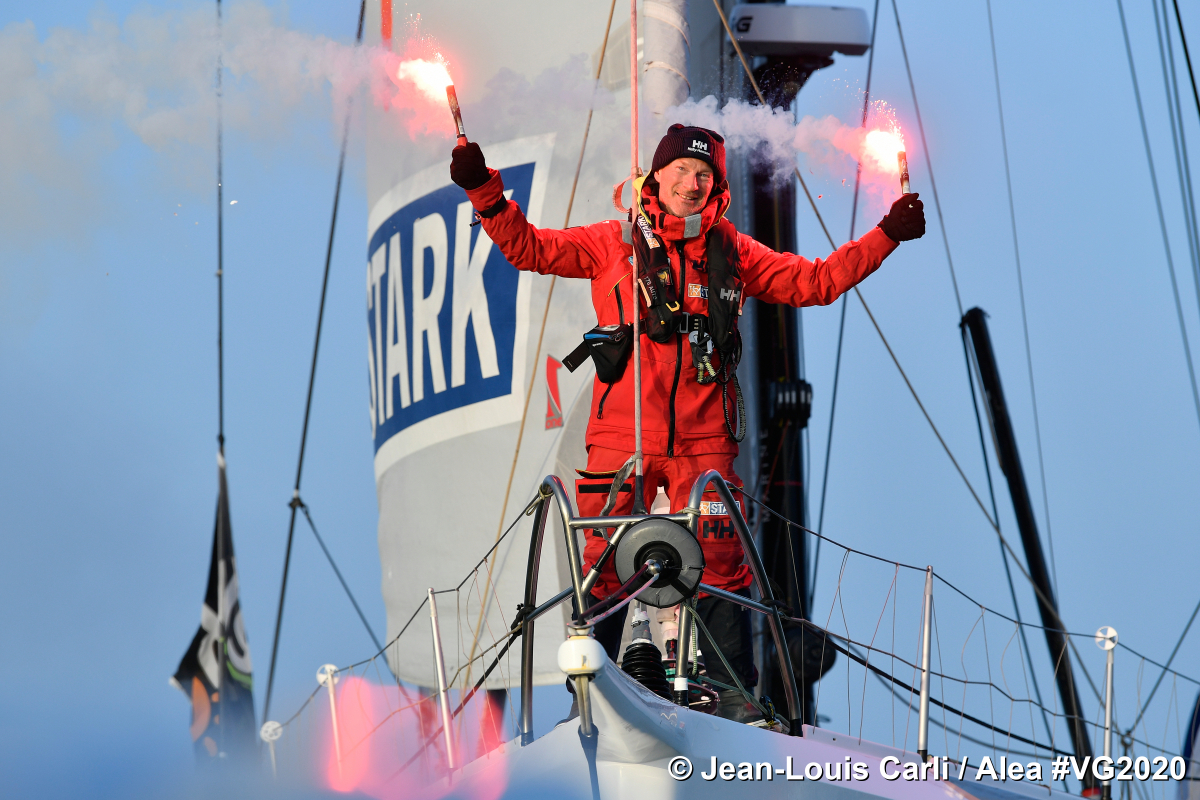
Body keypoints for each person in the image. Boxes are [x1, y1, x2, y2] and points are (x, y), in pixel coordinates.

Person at [450, 124, 924, 722]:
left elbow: (816, 282)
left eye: (705, 176)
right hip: (622, 436)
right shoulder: (611, 243)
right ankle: (593, 688)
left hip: (706, 441)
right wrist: (484, 192)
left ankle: (732, 691)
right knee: (599, 556)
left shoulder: (735, 252)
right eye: (681, 172)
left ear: (718, 186)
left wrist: (887, 235)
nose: (692, 184)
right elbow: (532, 249)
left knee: (723, 563)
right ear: (657, 176)